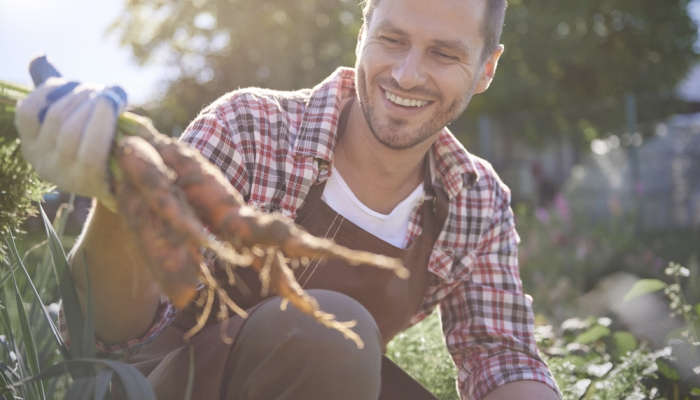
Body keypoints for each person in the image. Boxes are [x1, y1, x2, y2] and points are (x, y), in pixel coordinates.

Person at [15, 0, 561, 398]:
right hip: (163, 383)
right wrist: (117, 205)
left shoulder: (474, 196)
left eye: (444, 54)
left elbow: (501, 357)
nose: (407, 73)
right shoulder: (251, 128)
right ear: (363, 32)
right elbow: (117, 336)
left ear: (486, 69)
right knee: (327, 329)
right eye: (392, 40)